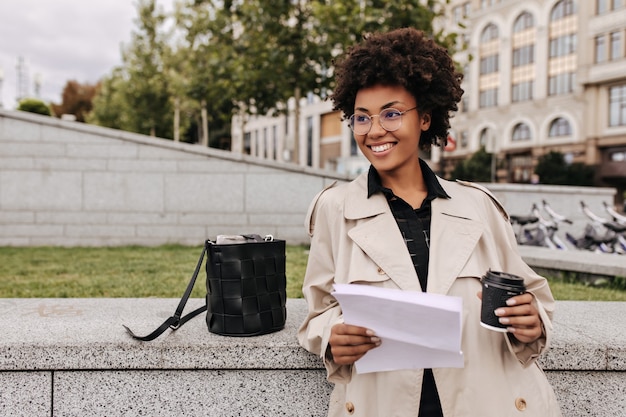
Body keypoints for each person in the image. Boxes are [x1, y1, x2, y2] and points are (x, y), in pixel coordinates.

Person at [297, 28, 562, 417]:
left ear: (424, 118)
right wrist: (332, 337)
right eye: (361, 118)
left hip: (489, 401)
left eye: (391, 114)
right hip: (383, 403)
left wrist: (531, 320)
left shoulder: (480, 206)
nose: (374, 131)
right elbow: (318, 314)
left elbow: (532, 296)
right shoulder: (334, 208)